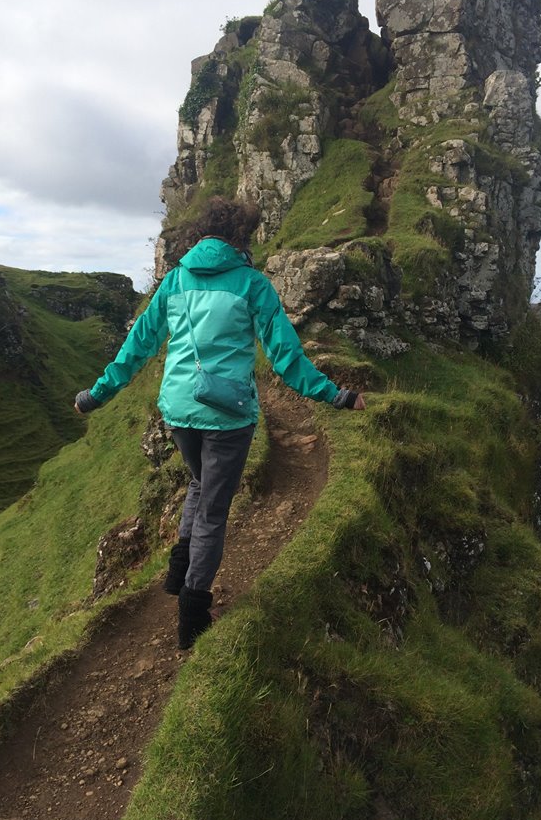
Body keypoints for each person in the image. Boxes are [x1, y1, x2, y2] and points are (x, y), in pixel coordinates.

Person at [75, 197, 365, 649]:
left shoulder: (173, 282)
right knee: (213, 510)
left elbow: (136, 347)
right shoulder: (252, 285)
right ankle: (193, 615)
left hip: (178, 410)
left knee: (197, 481)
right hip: (228, 417)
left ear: (200, 234)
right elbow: (287, 358)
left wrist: (95, 395)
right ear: (242, 239)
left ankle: (178, 570)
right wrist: (338, 396)